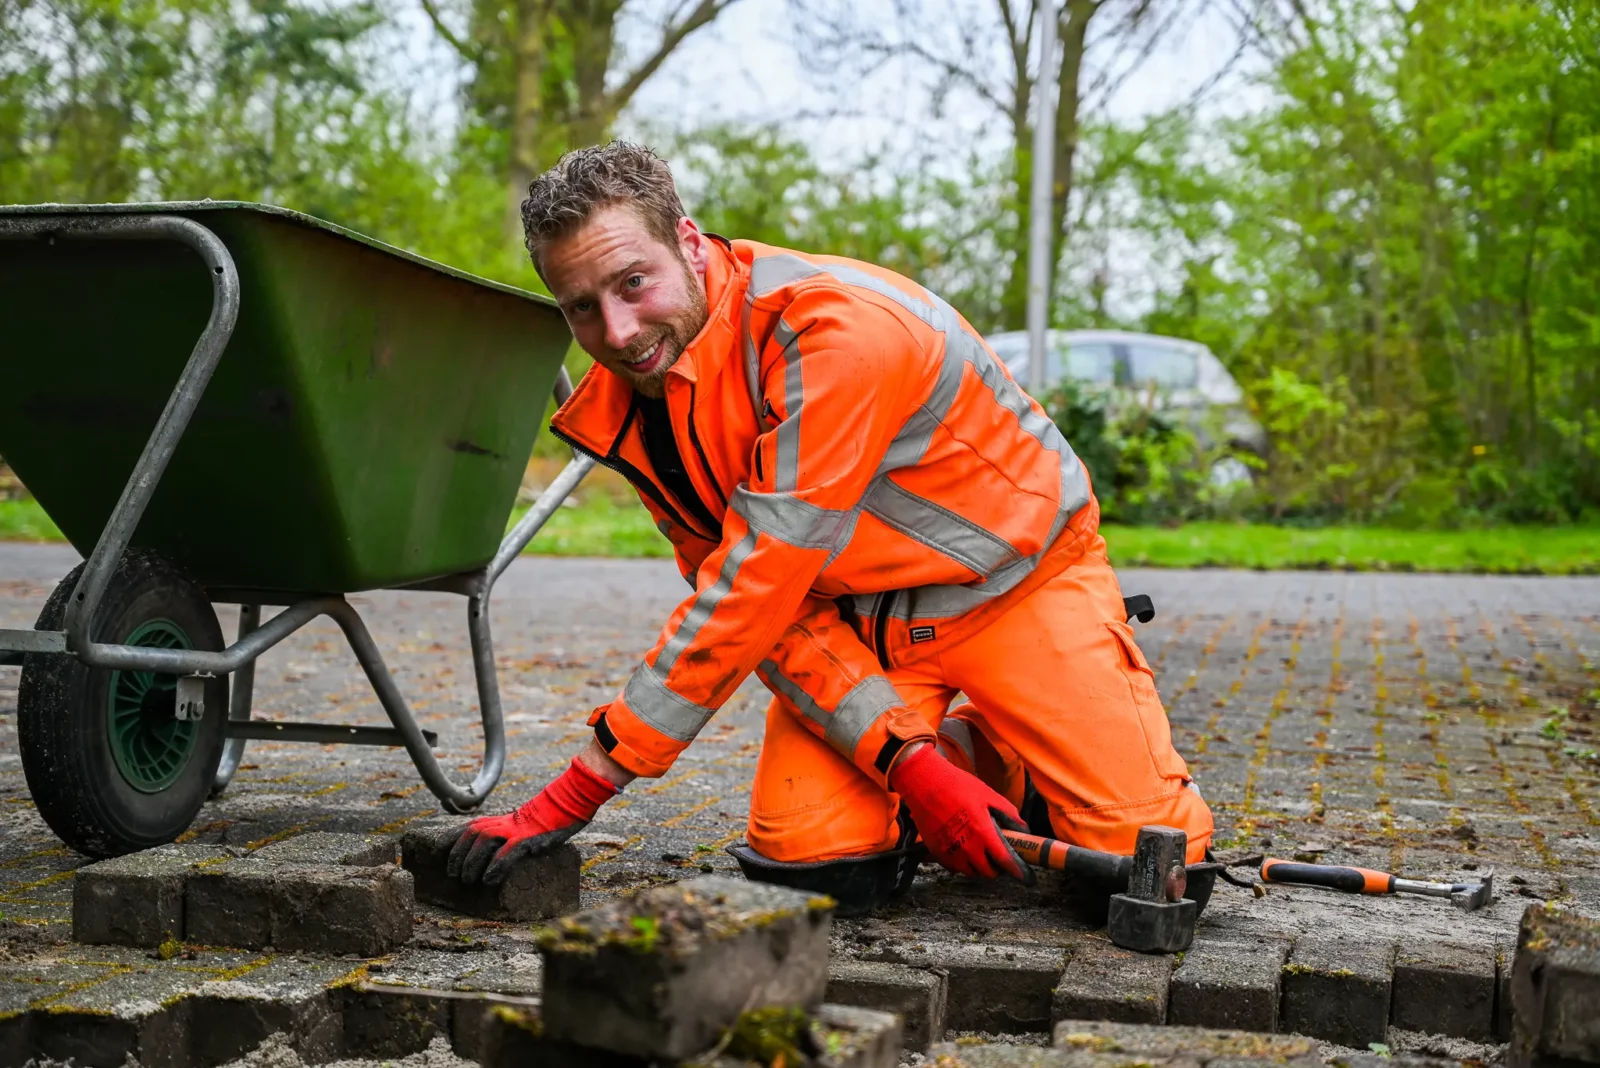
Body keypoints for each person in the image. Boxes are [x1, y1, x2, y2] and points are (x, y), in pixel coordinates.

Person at [449, 140, 1214, 913]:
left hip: (1016, 587)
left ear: (688, 241)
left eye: (633, 283)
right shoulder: (642, 404)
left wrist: (577, 793)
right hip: (860, 618)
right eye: (582, 306)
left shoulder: (832, 333)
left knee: (1150, 866)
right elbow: (764, 615)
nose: (615, 332)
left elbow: (754, 587)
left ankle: (1008, 749)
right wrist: (909, 760)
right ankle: (961, 753)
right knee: (815, 861)